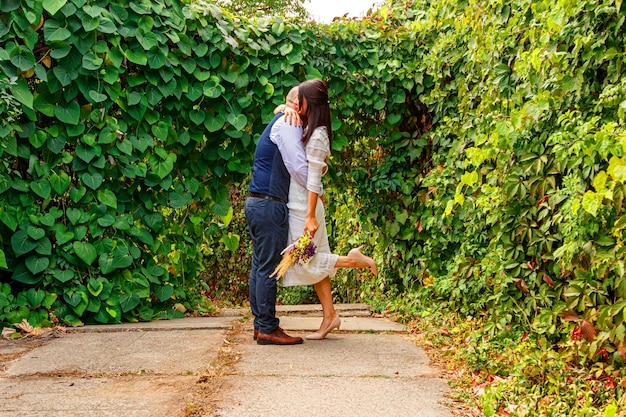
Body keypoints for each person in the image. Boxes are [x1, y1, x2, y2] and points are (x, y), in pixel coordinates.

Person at [282, 78, 377, 340]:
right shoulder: (309, 126)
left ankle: (354, 260)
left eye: (298, 100)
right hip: (305, 204)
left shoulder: (318, 134)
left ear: (308, 103)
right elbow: (283, 111)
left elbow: (313, 177)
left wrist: (310, 215)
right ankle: (330, 316)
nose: (295, 103)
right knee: (313, 258)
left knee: (302, 261)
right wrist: (285, 108)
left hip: (304, 207)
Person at [245, 87, 307, 345]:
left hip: (257, 202)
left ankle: (261, 326)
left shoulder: (283, 118)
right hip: (270, 203)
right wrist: (317, 188)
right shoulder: (287, 122)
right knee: (269, 269)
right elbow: (297, 165)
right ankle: (267, 328)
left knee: (260, 266)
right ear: (297, 104)